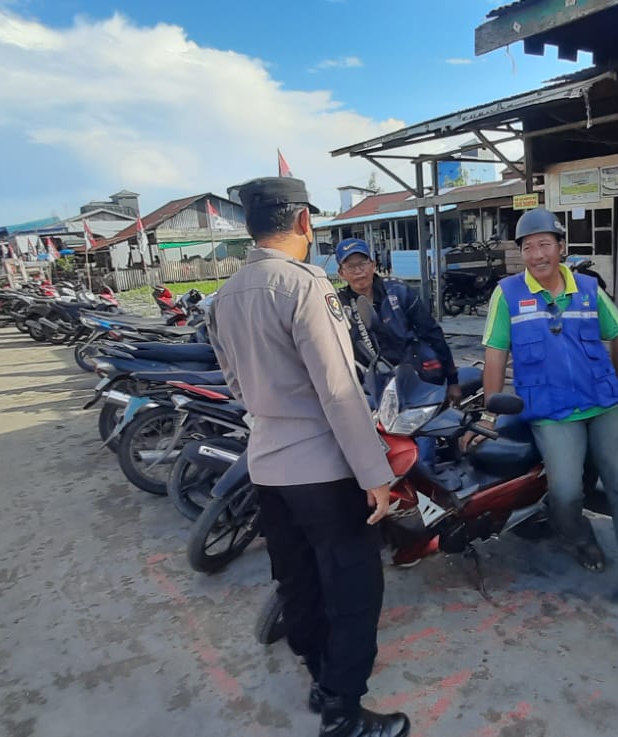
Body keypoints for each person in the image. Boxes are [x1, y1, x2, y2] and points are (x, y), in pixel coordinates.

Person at [204, 177, 409, 737]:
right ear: (303, 223)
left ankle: (320, 677)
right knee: (352, 588)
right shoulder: (305, 286)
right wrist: (376, 474)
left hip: (267, 466)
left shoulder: (225, 296)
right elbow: (339, 391)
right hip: (323, 469)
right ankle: (342, 713)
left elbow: (234, 384)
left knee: (300, 582)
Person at [479, 206, 618, 638]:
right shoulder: (509, 294)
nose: (537, 255)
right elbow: (495, 353)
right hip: (552, 413)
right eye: (528, 247)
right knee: (567, 492)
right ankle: (577, 536)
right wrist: (488, 413)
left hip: (602, 404)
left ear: (562, 248)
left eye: (545, 245)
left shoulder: (588, 288)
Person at [334, 238, 461, 404]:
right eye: (350, 266)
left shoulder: (398, 291)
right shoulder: (338, 304)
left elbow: (432, 333)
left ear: (373, 265)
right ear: (341, 273)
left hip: (412, 377)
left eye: (362, 263)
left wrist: (452, 380)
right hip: (369, 388)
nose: (358, 271)